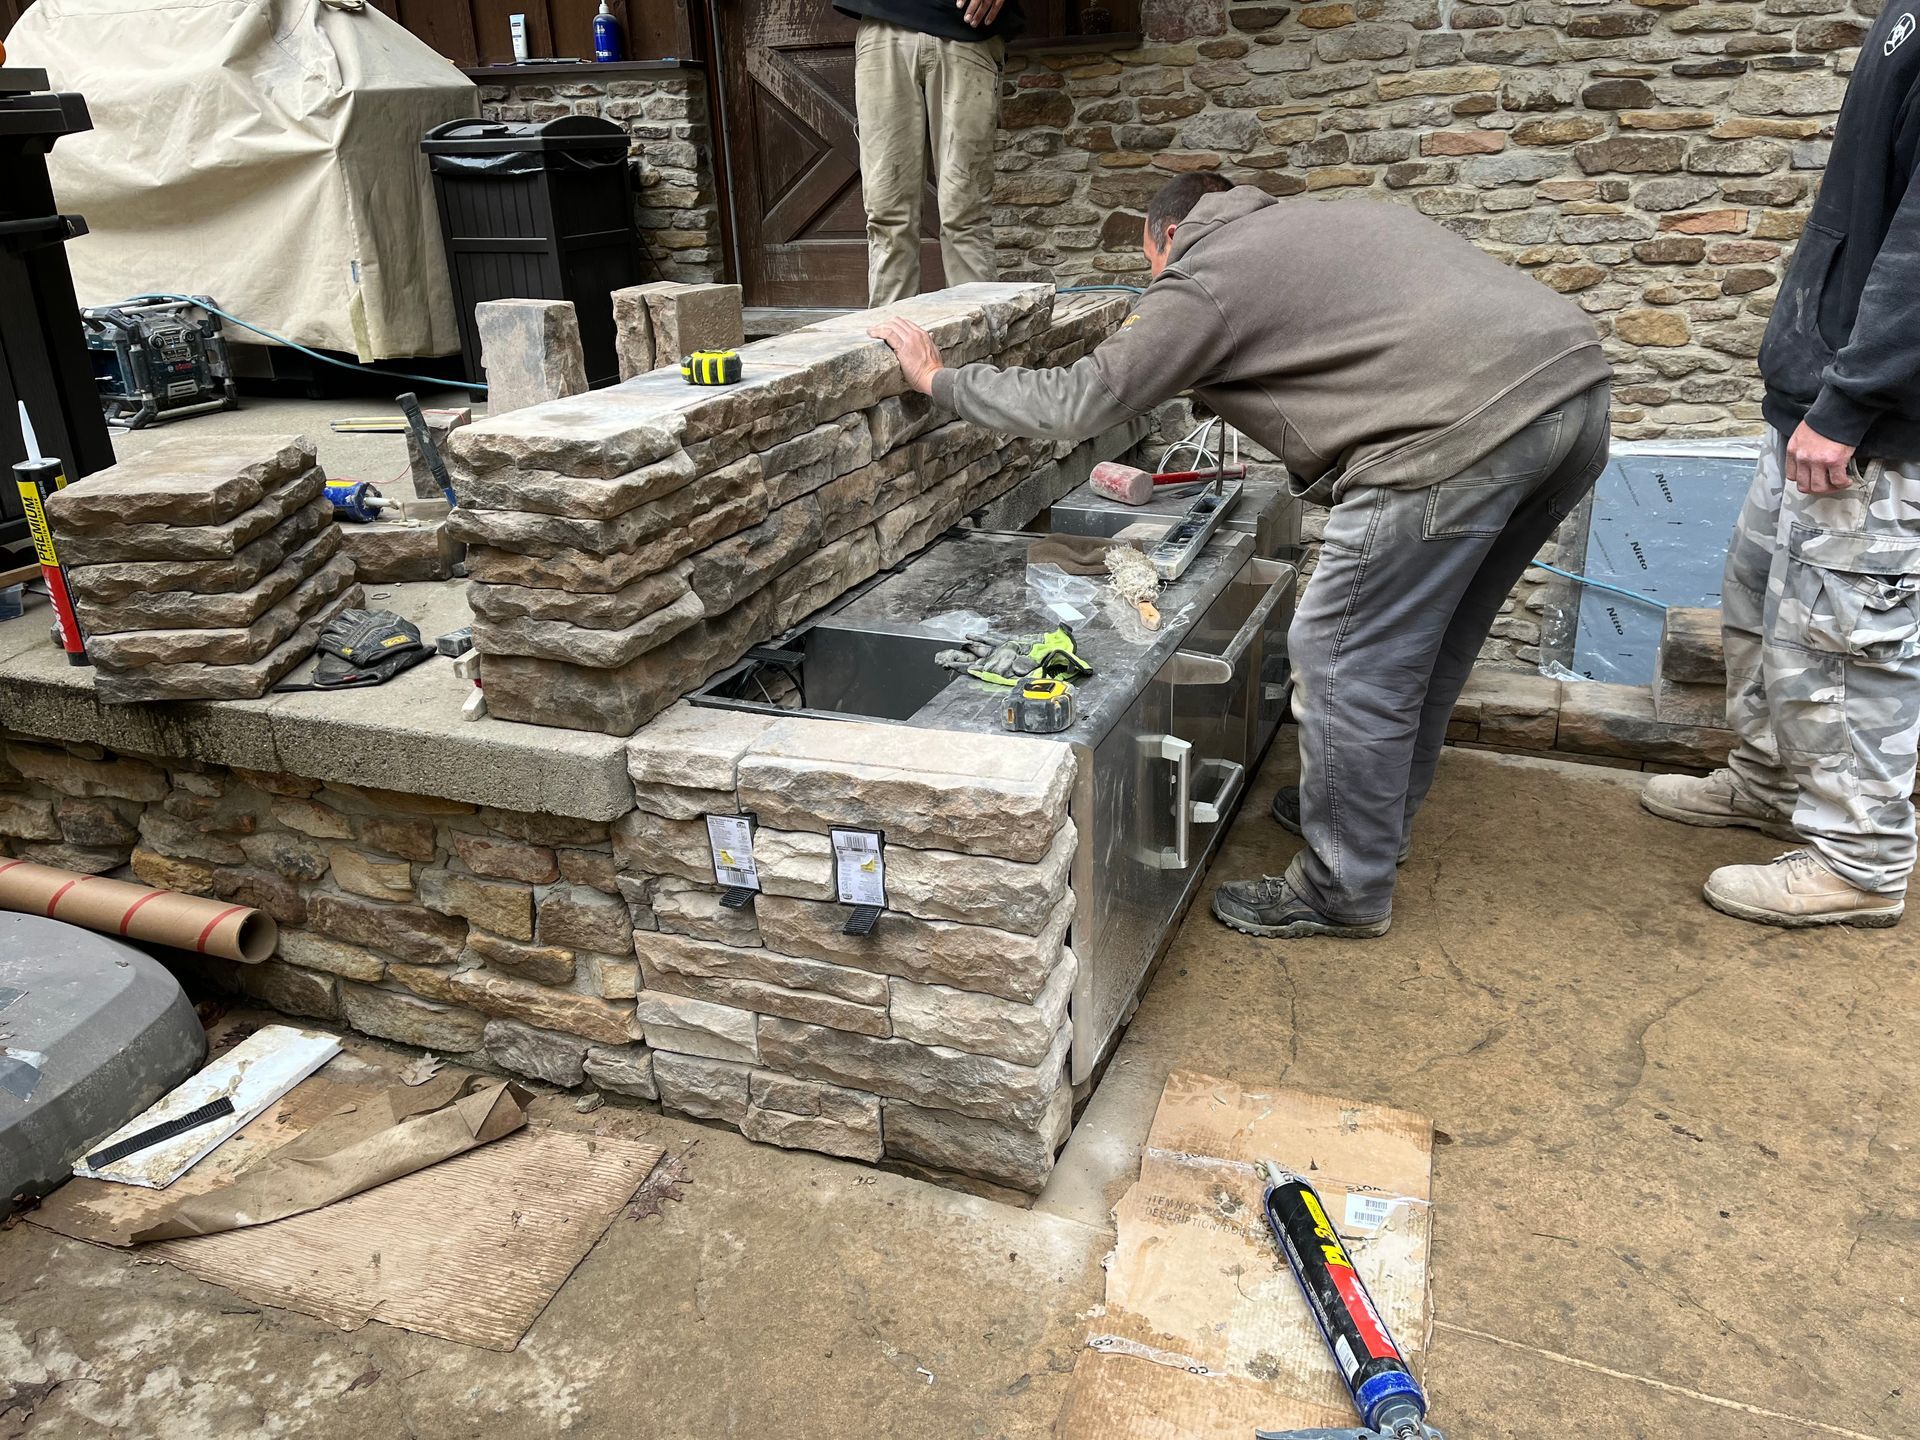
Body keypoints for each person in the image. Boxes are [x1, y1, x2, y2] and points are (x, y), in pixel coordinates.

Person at [871, 173, 1613, 939]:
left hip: (1455, 439)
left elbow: (1080, 401)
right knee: (1427, 644)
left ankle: (1342, 889)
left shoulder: (1206, 274)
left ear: (1162, 236)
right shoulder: (1317, 228)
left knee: (1342, 658)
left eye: (1149, 268)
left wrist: (938, 377)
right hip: (1574, 396)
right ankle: (1369, 822)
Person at [1640, 7, 1920, 930]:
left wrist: (1851, 403)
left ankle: (1862, 862)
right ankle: (1768, 783)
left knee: (1851, 646)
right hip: (1816, 398)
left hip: (1875, 424)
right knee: (1762, 606)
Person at [838, 0, 1021, 305]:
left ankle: (976, 347)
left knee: (966, 215)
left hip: (968, 29)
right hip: (883, 24)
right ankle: (892, 347)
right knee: (888, 215)